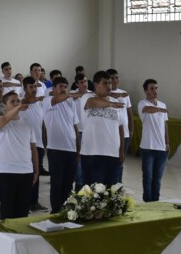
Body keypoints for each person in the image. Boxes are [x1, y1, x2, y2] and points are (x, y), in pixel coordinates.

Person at [0, 92, 38, 219]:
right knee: (8, 210)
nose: (17, 103)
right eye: (13, 101)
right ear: (4, 106)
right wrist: (19, 107)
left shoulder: (27, 121)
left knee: (23, 211)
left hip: (25, 170)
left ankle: (20, 238)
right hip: (6, 171)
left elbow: (33, 146)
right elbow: (5, 119)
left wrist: (36, 169)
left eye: (18, 101)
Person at [80, 71, 125, 186]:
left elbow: (120, 127)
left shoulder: (116, 102)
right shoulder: (87, 97)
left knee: (110, 192)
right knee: (93, 194)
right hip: (93, 154)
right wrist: (111, 105)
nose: (109, 86)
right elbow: (94, 102)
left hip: (112, 154)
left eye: (110, 83)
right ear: (96, 85)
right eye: (105, 83)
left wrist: (121, 151)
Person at [44, 76, 79, 213]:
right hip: (55, 149)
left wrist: (78, 147)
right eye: (60, 87)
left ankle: (66, 208)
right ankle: (56, 209)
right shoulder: (48, 101)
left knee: (68, 182)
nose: (64, 89)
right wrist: (72, 94)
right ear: (54, 89)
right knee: (56, 182)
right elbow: (57, 99)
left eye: (65, 87)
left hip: (71, 148)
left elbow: (74, 125)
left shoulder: (71, 103)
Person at [138, 79, 170, 202]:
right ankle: (147, 200)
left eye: (156, 88)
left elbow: (165, 125)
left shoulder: (162, 105)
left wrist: (167, 142)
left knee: (157, 178)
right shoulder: (142, 103)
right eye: (151, 88)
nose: (155, 91)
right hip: (148, 147)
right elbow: (147, 109)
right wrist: (159, 110)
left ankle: (155, 200)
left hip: (161, 148)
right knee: (148, 177)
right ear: (146, 91)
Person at [20, 76, 47, 211]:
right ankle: (25, 203)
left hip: (38, 143)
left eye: (35, 86)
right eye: (31, 87)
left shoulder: (39, 103)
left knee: (36, 174)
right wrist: (38, 98)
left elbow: (41, 124)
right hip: (26, 144)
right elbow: (27, 100)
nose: (34, 89)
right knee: (27, 175)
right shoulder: (22, 100)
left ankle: (34, 202)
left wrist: (43, 142)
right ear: (24, 88)